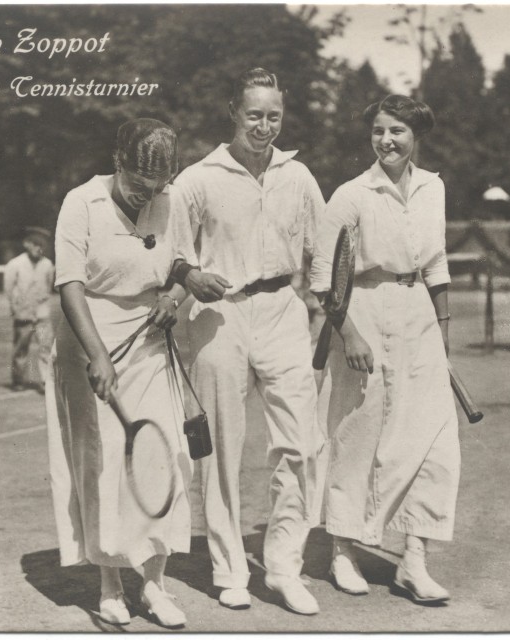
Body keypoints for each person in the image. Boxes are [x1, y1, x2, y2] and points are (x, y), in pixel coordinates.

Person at [170, 68, 324, 615]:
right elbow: (170, 251)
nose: (264, 126)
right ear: (233, 112)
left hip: (283, 309)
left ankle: (283, 568)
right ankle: (229, 569)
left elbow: (323, 251)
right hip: (219, 317)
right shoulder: (197, 179)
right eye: (254, 115)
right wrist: (191, 276)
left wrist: (329, 309)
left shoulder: (298, 176)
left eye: (273, 116)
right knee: (221, 448)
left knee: (303, 444)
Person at [310, 94, 460, 604]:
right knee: (357, 434)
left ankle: (414, 560)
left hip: (419, 317)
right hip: (363, 313)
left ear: (416, 136)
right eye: (378, 130)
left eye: (397, 131)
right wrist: (349, 333)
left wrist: (443, 326)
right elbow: (322, 278)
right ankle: (342, 550)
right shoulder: (351, 194)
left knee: (433, 437)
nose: (386, 140)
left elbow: (436, 263)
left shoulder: (433, 188)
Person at [47, 118, 196, 628]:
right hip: (90, 337)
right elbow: (69, 284)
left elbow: (181, 265)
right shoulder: (80, 202)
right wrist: (98, 355)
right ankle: (110, 584)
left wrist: (173, 298)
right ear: (118, 163)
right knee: (105, 462)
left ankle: (154, 583)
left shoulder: (171, 200)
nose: (148, 197)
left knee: (164, 458)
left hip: (150, 340)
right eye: (139, 186)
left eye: (158, 187)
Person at [3, 226, 55, 393]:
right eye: (36, 244)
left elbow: (48, 285)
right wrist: (16, 306)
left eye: (42, 245)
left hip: (42, 313)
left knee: (46, 346)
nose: (39, 249)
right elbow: (9, 288)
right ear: (27, 244)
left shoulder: (47, 264)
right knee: (21, 348)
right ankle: (18, 379)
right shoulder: (15, 264)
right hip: (23, 312)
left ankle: (46, 381)